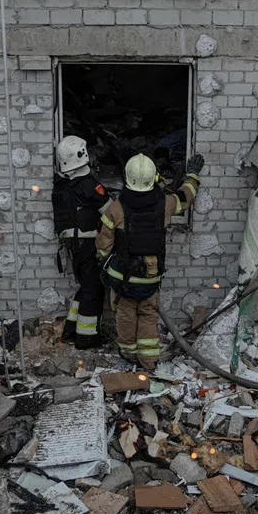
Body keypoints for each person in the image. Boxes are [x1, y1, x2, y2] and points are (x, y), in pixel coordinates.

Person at [96, 152, 204, 370]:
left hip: (122, 276)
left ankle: (128, 356)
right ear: (153, 178)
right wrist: (192, 175)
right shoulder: (164, 204)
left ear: (127, 179)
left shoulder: (115, 208)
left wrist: (103, 261)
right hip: (150, 275)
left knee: (125, 315)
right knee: (147, 315)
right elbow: (186, 196)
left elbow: (103, 245)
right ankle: (148, 361)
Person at [52, 136, 111, 349]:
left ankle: (70, 329)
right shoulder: (89, 185)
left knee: (85, 287)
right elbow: (111, 213)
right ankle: (86, 338)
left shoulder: (61, 185)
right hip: (88, 245)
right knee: (93, 289)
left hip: (73, 247)